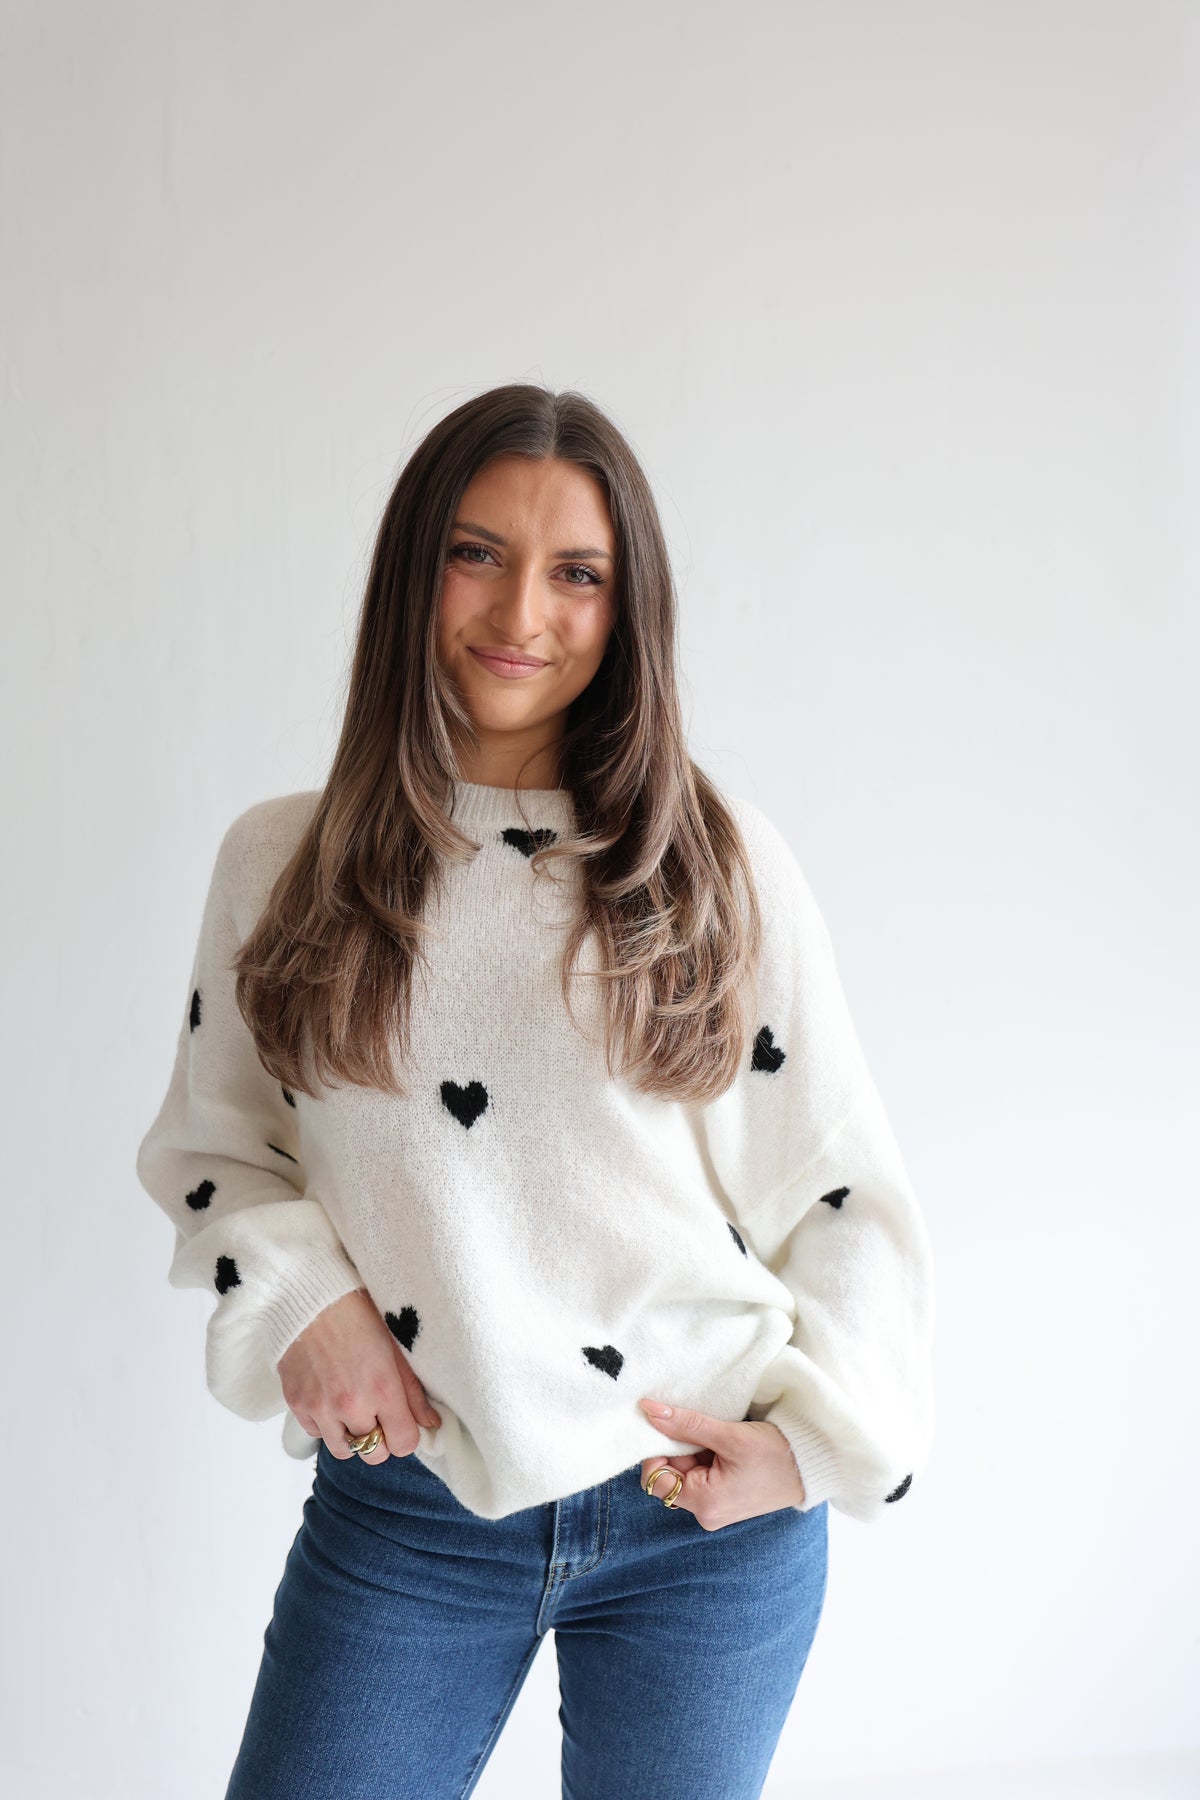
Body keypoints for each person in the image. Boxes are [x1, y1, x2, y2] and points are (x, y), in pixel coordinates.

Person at [135, 383, 936, 1800]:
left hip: (702, 1518)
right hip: (412, 1510)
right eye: (476, 553)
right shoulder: (285, 864)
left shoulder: (718, 864)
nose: (522, 612)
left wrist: (814, 1450)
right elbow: (220, 1148)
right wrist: (309, 1303)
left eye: (578, 573)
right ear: (414, 570)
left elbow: (839, 1191)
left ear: (630, 609)